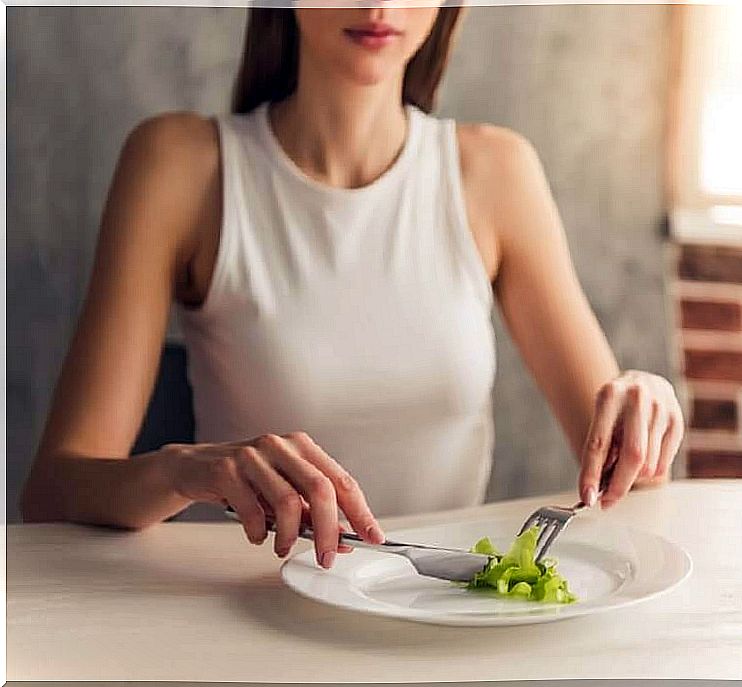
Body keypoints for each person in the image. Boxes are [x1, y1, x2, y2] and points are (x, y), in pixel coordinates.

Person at [20, 6, 684, 570]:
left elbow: (624, 477)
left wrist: (644, 405)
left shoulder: (497, 172)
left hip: (448, 622)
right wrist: (182, 470)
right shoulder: (180, 165)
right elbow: (53, 490)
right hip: (248, 616)